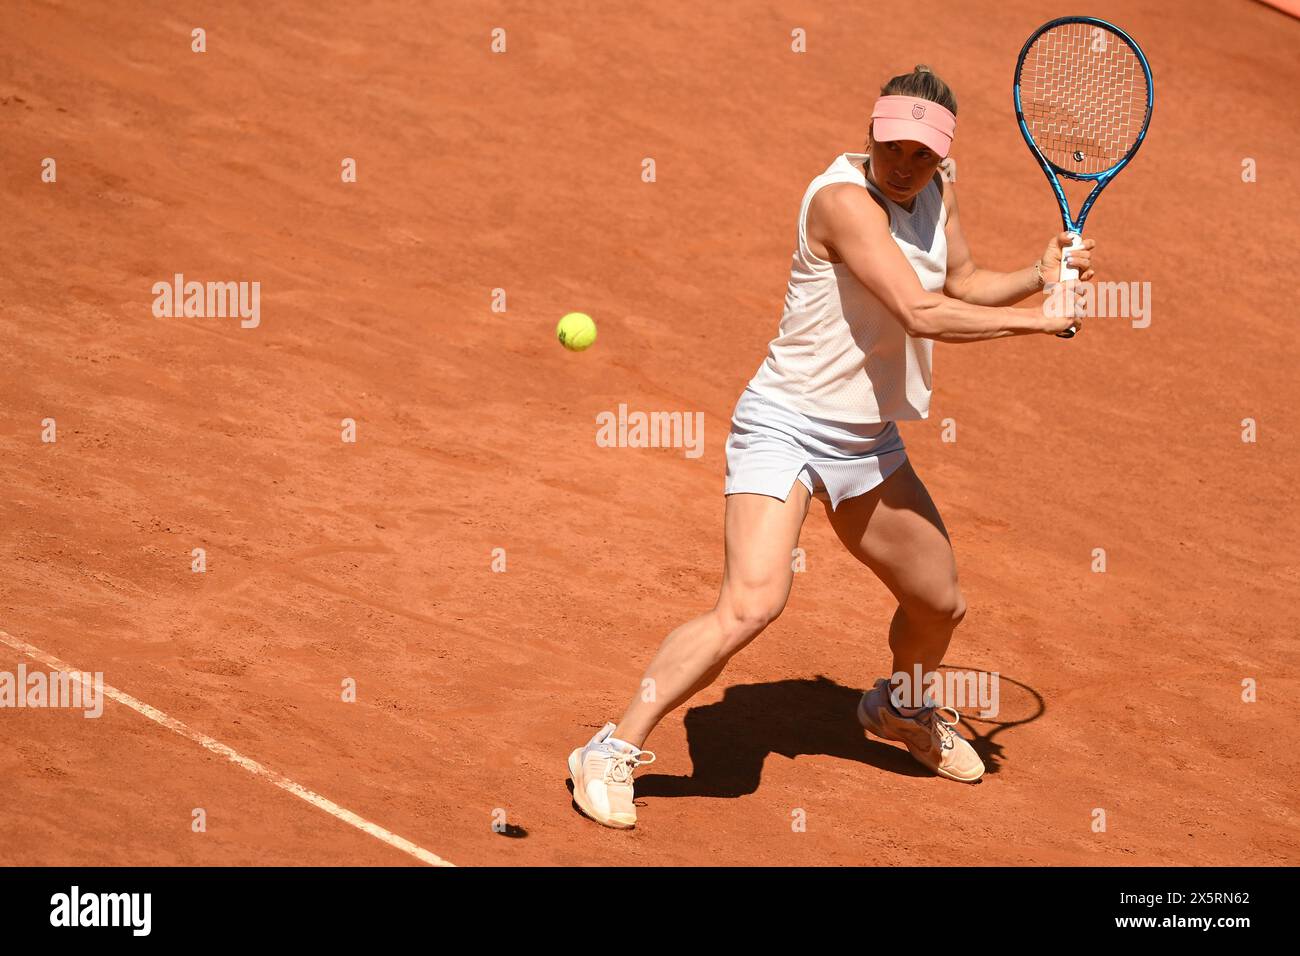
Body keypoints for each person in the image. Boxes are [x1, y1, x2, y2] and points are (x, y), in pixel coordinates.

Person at [567, 65, 1094, 829]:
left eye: (923, 154)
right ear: (870, 134)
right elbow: (919, 310)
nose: (906, 165)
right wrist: (1044, 319)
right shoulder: (842, 202)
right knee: (751, 606)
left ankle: (900, 710)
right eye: (894, 147)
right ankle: (611, 747)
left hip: (865, 440)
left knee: (938, 602)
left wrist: (1033, 276)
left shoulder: (937, 191)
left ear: (943, 156)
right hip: (785, 425)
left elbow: (965, 280)